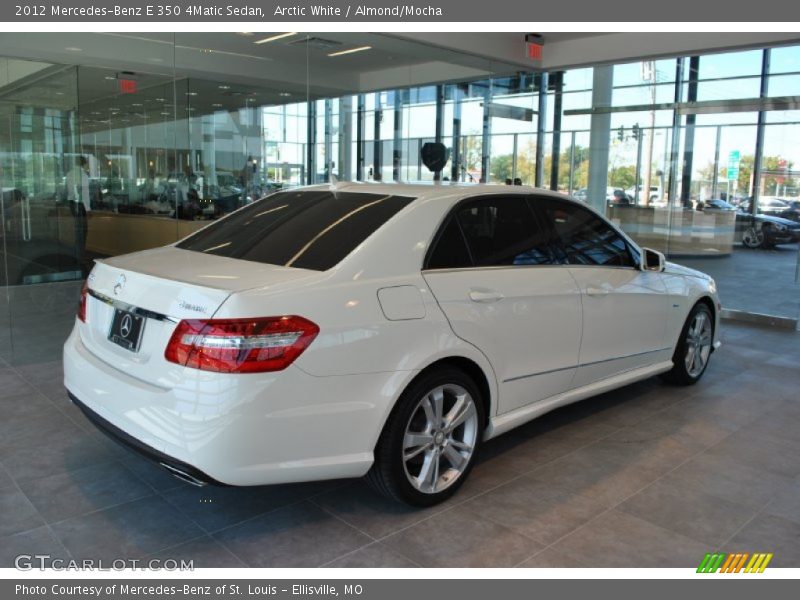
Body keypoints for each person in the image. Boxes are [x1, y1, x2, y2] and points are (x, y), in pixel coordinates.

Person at [66, 156, 90, 272]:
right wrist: (88, 209)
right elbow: (85, 194)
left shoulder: (69, 174)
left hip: (71, 203)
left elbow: (68, 191)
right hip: (80, 205)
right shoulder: (83, 175)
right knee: (82, 231)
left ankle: (77, 255)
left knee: (77, 230)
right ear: (84, 164)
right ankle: (80, 257)